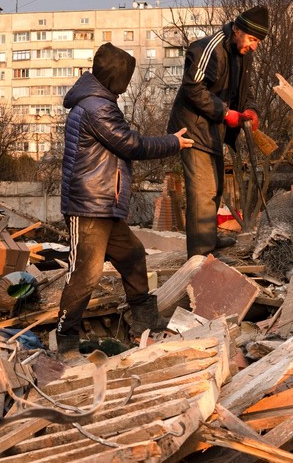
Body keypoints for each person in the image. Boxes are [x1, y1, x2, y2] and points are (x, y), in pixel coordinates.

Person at [57, 42, 194, 360]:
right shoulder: (95, 106)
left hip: (103, 203)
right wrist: (173, 142)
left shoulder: (99, 102)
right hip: (88, 206)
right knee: (85, 275)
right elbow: (130, 144)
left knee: (132, 255)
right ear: (116, 77)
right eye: (126, 77)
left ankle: (144, 321)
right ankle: (65, 342)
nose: (127, 83)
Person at [167, 5, 269, 259]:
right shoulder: (207, 48)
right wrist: (226, 113)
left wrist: (251, 110)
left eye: (258, 41)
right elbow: (192, 88)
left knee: (216, 187)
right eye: (252, 39)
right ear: (237, 30)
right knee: (203, 190)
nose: (254, 46)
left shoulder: (244, 53)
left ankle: (208, 237)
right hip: (192, 129)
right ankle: (202, 254)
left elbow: (247, 90)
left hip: (213, 130)